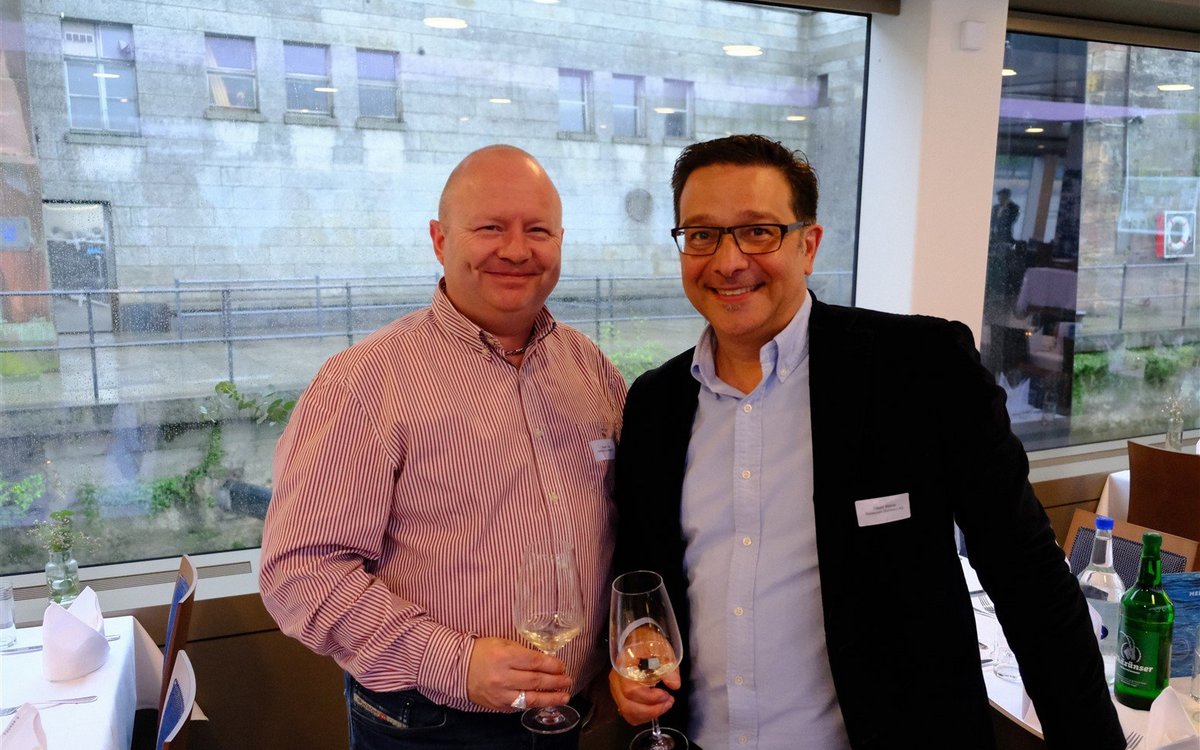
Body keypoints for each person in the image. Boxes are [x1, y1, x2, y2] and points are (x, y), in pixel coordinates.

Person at [608, 135, 1124, 749]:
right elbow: (642, 569)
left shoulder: (919, 368)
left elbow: (1029, 578)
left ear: (808, 245)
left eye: (758, 232)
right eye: (702, 235)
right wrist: (637, 638)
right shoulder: (655, 404)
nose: (727, 261)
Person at [259, 144, 626, 750]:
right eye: (490, 228)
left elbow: (619, 526)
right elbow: (299, 574)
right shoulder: (365, 382)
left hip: (570, 714)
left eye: (537, 230)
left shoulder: (590, 369)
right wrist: (453, 662)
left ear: (560, 241)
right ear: (439, 239)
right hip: (431, 727)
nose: (516, 250)